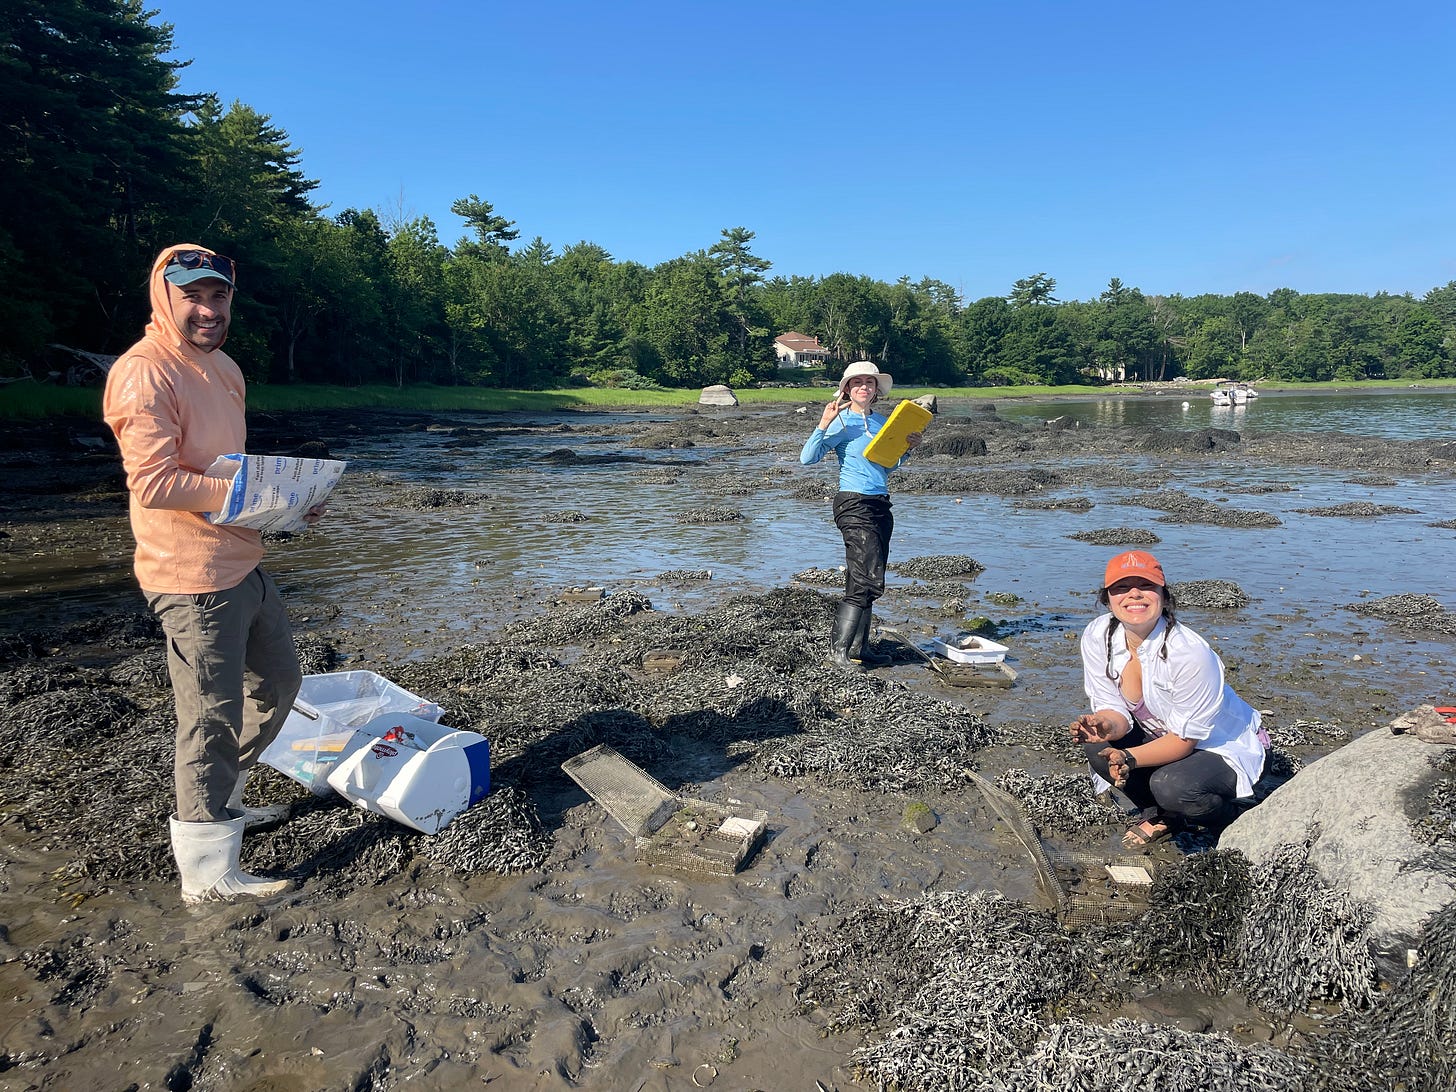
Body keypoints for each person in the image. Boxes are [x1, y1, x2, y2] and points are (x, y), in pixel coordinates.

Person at [104, 244, 323, 903]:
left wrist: (285, 504)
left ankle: (217, 804)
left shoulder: (225, 368)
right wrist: (254, 501)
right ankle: (207, 874)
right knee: (209, 719)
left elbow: (230, 465)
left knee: (280, 683)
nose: (207, 308)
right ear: (164, 297)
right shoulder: (143, 373)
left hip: (244, 561)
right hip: (190, 576)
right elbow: (154, 482)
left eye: (218, 295)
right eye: (192, 296)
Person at [1071, 550, 1267, 850]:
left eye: (1145, 586)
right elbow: (1116, 710)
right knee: (1099, 747)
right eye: (1122, 587)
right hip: (1161, 732)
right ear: (1107, 598)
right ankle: (1163, 816)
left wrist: (1129, 758)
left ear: (1164, 595)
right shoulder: (1098, 634)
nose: (1134, 595)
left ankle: (1234, 819)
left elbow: (1184, 740)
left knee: (1172, 786)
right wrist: (1106, 726)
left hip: (1218, 743)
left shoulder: (1189, 653)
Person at [800, 361, 925, 671]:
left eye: (869, 383)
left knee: (868, 576)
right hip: (852, 503)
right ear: (847, 390)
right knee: (865, 576)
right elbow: (807, 459)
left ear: (876, 390)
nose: (864, 388)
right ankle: (837, 652)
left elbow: (887, 464)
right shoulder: (840, 422)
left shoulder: (885, 422)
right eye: (857, 383)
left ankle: (860, 648)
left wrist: (908, 449)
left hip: (881, 504)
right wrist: (823, 423)